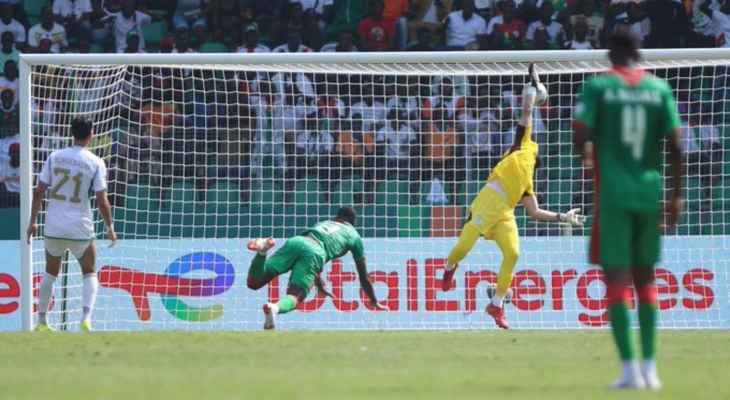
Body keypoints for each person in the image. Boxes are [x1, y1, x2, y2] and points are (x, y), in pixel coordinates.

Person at [573, 31, 684, 390]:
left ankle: (628, 371)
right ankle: (651, 370)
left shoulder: (599, 86)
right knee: (646, 277)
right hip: (649, 192)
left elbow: (580, 131)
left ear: (612, 55)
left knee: (618, 280)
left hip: (614, 195)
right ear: (639, 55)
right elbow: (679, 146)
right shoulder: (659, 89)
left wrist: (587, 154)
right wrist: (676, 197)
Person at [441, 64, 585, 329]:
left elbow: (534, 212)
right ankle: (450, 268)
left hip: (505, 211)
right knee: (464, 247)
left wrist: (564, 217)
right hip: (488, 202)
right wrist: (533, 84)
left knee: (514, 253)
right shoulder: (523, 146)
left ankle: (496, 305)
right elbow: (527, 112)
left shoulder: (528, 183)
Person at [26, 117, 118, 332]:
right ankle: (86, 319)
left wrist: (32, 222)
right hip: (80, 227)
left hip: (54, 226)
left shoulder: (54, 157)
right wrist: (110, 227)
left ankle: (41, 321)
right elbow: (102, 200)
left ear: (71, 133)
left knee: (50, 272)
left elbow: (39, 191)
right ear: (91, 135)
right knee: (89, 272)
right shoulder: (96, 162)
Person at [246, 207, 388, 330]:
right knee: (295, 296)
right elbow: (363, 276)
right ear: (353, 223)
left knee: (254, 283)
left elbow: (311, 255)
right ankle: (275, 308)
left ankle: (262, 252)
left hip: (298, 241)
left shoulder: (324, 223)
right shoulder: (354, 236)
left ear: (337, 218)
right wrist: (373, 300)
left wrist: (319, 285)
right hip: (316, 251)